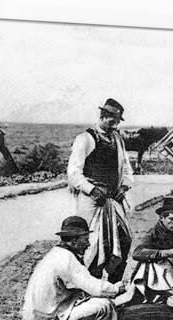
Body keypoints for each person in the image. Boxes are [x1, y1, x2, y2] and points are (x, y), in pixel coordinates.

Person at [21, 216, 135, 320]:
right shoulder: (65, 258)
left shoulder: (55, 254)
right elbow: (93, 287)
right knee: (104, 305)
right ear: (74, 240)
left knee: (98, 302)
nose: (88, 244)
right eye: (85, 239)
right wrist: (117, 289)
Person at [67, 98, 133, 283]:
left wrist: (124, 186)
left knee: (123, 240)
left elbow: (127, 169)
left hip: (113, 200)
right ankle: (89, 287)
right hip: (92, 202)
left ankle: (114, 286)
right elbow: (73, 172)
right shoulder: (85, 139)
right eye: (113, 120)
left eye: (118, 120)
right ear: (103, 116)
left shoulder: (117, 139)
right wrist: (92, 189)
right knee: (92, 246)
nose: (116, 124)